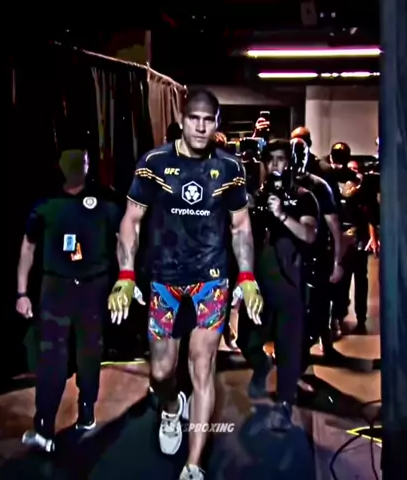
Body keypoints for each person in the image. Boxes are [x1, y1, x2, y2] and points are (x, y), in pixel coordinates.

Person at [107, 88, 263, 480]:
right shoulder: (155, 163)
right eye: (194, 118)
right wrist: (125, 274)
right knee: (161, 373)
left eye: (208, 120)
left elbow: (241, 226)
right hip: (165, 279)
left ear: (217, 123)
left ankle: (193, 464)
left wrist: (247, 277)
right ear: (181, 119)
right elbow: (131, 221)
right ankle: (171, 407)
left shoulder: (230, 168)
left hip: (211, 279)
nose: (200, 127)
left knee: (202, 367)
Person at [16, 149, 122, 452]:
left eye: (82, 163)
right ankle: (44, 427)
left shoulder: (106, 201)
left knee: (90, 354)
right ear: (61, 167)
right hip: (56, 289)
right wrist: (21, 292)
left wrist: (124, 282)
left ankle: (86, 412)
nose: (77, 168)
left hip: (93, 289)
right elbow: (28, 247)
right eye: (71, 163)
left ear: (88, 166)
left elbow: (123, 242)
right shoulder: (46, 203)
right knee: (52, 359)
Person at [237, 139, 319, 429]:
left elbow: (309, 234)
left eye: (281, 159)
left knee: (288, 348)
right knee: (246, 341)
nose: (274, 165)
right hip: (258, 284)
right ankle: (262, 366)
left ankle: (285, 402)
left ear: (290, 163)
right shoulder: (256, 196)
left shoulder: (304, 197)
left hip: (290, 284)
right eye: (270, 159)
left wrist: (282, 215)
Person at [289, 138, 346, 364]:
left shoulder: (319, 186)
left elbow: (334, 225)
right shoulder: (282, 183)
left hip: (316, 253)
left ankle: (323, 343)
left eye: (300, 154)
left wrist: (337, 262)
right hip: (289, 255)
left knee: (320, 304)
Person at [332, 160, 380, 335]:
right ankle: (339, 314)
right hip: (344, 242)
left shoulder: (364, 194)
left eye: (355, 169)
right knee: (342, 280)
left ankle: (361, 317)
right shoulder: (338, 193)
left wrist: (373, 238)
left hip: (359, 240)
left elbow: (371, 218)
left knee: (361, 280)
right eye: (350, 169)